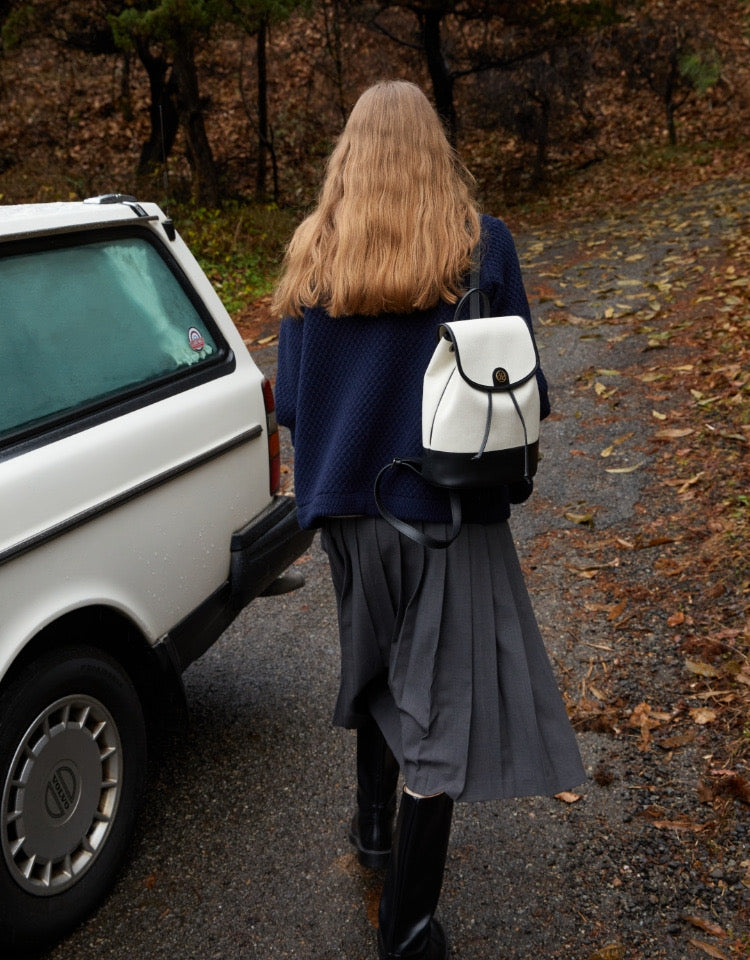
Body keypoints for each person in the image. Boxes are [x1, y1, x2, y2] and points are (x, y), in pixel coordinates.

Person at [272, 80, 585, 960]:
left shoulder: (313, 251)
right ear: (434, 148)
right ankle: (406, 928)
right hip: (447, 514)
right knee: (438, 711)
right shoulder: (479, 245)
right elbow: (532, 394)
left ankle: (374, 831)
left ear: (350, 154)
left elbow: (292, 402)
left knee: (379, 672)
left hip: (346, 515)